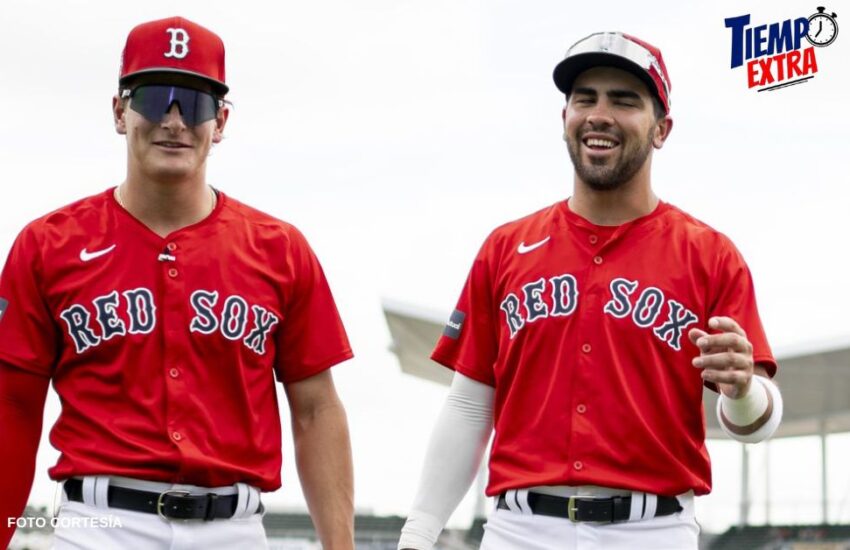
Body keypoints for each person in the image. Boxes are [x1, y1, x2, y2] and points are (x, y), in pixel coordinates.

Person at [398, 31, 783, 550]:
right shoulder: (506, 247)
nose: (599, 114)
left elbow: (754, 425)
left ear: (661, 129)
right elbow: (469, 407)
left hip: (653, 530)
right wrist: (419, 532)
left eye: (624, 100)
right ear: (565, 120)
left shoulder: (710, 254)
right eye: (585, 98)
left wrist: (742, 390)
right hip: (520, 529)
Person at [0, 16, 355, 549]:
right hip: (98, 527)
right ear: (120, 112)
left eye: (194, 103)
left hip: (235, 527)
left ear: (222, 120)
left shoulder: (280, 249)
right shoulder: (47, 244)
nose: (173, 120)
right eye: (153, 97)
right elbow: (13, 406)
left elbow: (315, 408)